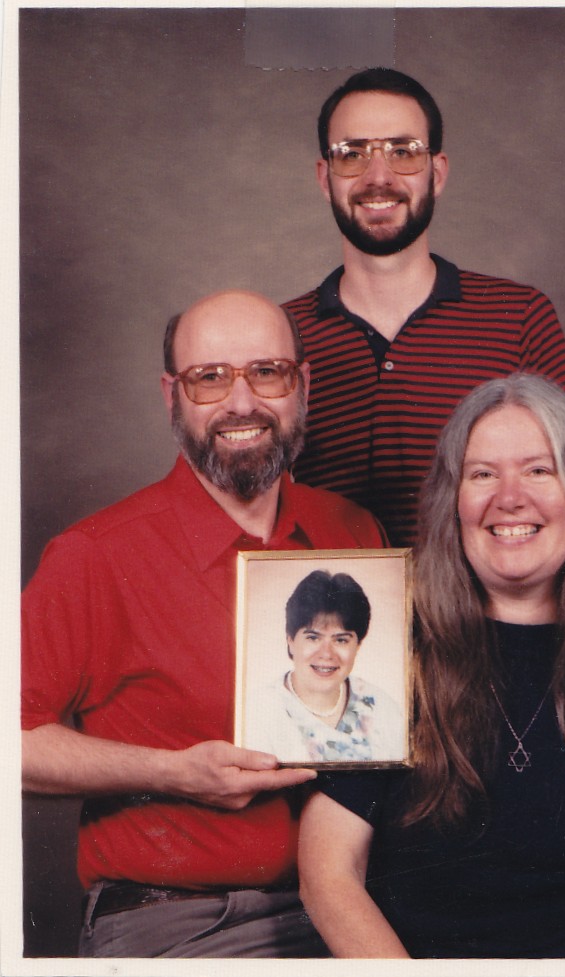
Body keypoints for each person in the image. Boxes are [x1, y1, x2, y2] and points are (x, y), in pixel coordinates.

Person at [21, 289, 386, 958]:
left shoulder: (353, 532)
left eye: (267, 372)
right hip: (189, 920)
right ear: (172, 395)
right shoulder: (96, 555)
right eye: (209, 377)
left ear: (301, 386)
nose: (241, 402)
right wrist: (173, 772)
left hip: (358, 902)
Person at [299, 373, 565, 959]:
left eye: (539, 470)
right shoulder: (388, 656)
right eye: (482, 474)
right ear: (452, 503)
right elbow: (328, 871)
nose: (510, 498)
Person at [284, 68, 565, 547]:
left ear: (436, 173)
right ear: (325, 177)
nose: (378, 177)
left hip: (482, 597)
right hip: (333, 596)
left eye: (403, 152)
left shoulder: (520, 316)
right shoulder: (282, 336)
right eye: (352, 154)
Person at [246, 570, 405, 764]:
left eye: (341, 640)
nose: (326, 653)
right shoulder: (257, 711)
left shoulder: (383, 709)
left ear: (358, 645)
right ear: (290, 640)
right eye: (313, 638)